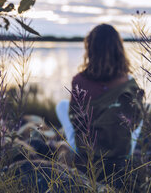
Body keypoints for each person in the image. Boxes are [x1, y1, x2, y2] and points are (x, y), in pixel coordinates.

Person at [56, 23, 144, 178]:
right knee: (138, 112)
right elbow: (135, 121)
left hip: (86, 152)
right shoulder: (129, 82)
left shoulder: (79, 80)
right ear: (119, 50)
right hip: (122, 154)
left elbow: (76, 120)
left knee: (62, 106)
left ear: (90, 49)